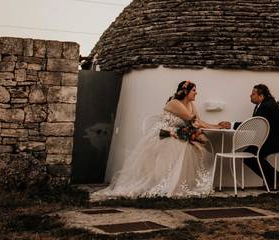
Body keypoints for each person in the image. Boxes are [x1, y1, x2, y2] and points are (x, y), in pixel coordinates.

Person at [94, 80, 229, 199]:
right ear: (185, 91)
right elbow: (192, 121)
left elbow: (198, 121)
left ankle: (182, 184)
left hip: (177, 133)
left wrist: (218, 126)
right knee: (183, 148)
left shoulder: (191, 104)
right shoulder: (174, 102)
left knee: (194, 148)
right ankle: (167, 185)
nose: (196, 93)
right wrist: (216, 126)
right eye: (194, 90)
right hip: (164, 135)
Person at [234, 84, 279, 191]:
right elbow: (256, 125)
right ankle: (273, 180)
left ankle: (278, 178)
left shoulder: (266, 106)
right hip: (275, 139)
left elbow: (254, 125)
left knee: (251, 155)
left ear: (261, 96)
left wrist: (232, 125)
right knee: (251, 153)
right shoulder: (262, 105)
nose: (250, 95)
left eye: (253, 94)